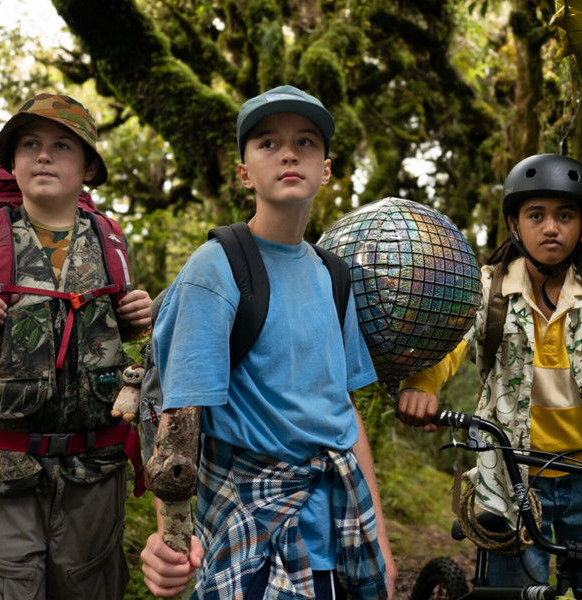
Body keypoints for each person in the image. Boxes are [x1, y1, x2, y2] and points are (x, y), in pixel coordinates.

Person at [140, 85, 397, 599]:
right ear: (244, 173)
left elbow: (343, 412)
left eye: (305, 142)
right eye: (268, 143)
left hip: (338, 531)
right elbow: (177, 416)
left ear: (326, 169)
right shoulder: (216, 269)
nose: (288, 154)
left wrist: (382, 546)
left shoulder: (334, 275)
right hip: (251, 535)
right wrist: (172, 539)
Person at [0, 93, 152, 599]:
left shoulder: (109, 243)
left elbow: (110, 340)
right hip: (1, 471)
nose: (43, 156)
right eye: (29, 145)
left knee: (89, 584)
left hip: (93, 473)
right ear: (12, 163)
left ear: (88, 168)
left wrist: (135, 317)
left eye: (62, 145)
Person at [397, 153, 582, 596]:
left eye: (565, 215)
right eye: (536, 215)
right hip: (511, 472)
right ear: (515, 225)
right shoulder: (489, 290)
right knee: (512, 591)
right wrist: (421, 386)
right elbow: (451, 342)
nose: (551, 228)